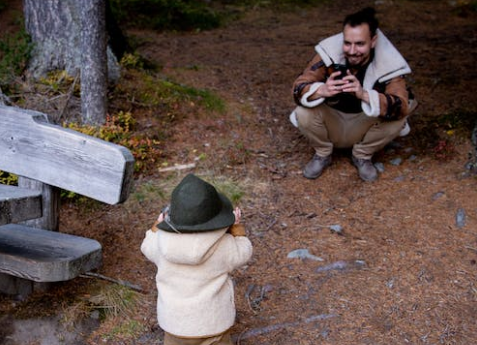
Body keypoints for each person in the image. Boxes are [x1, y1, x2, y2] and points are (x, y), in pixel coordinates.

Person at [290, 7, 417, 182]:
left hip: (364, 125)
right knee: (303, 111)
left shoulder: (390, 63)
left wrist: (364, 94)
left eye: (360, 44)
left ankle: (362, 155)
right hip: (332, 121)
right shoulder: (328, 55)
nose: (352, 50)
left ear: (373, 41)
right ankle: (322, 153)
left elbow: (400, 105)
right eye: (347, 43)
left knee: (400, 118)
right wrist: (321, 90)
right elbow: (299, 86)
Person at [141, 173, 253, 345]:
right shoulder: (225, 246)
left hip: (174, 324)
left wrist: (156, 226)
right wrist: (236, 229)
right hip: (214, 323)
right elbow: (244, 252)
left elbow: (146, 246)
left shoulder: (159, 244)